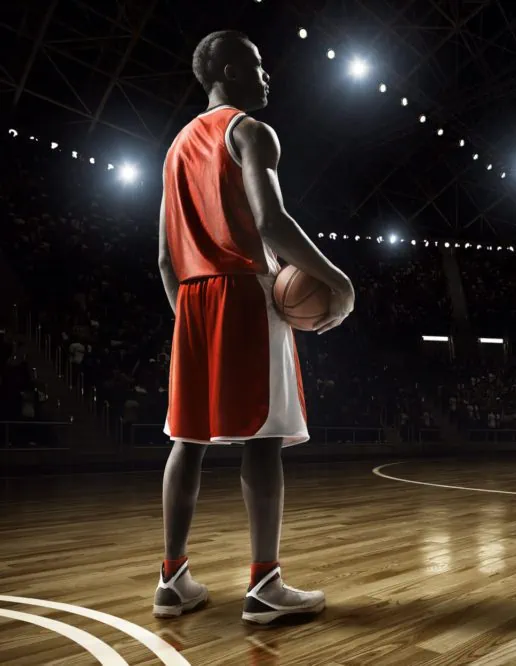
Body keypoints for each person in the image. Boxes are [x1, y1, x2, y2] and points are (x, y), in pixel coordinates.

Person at [153, 30, 355, 625]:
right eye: (259, 64)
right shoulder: (249, 132)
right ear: (231, 71)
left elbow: (163, 259)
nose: (268, 75)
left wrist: (192, 322)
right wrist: (338, 281)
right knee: (264, 440)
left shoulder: (174, 148)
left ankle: (172, 580)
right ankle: (265, 586)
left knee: (186, 441)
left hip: (191, 299)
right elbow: (271, 222)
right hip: (244, 290)